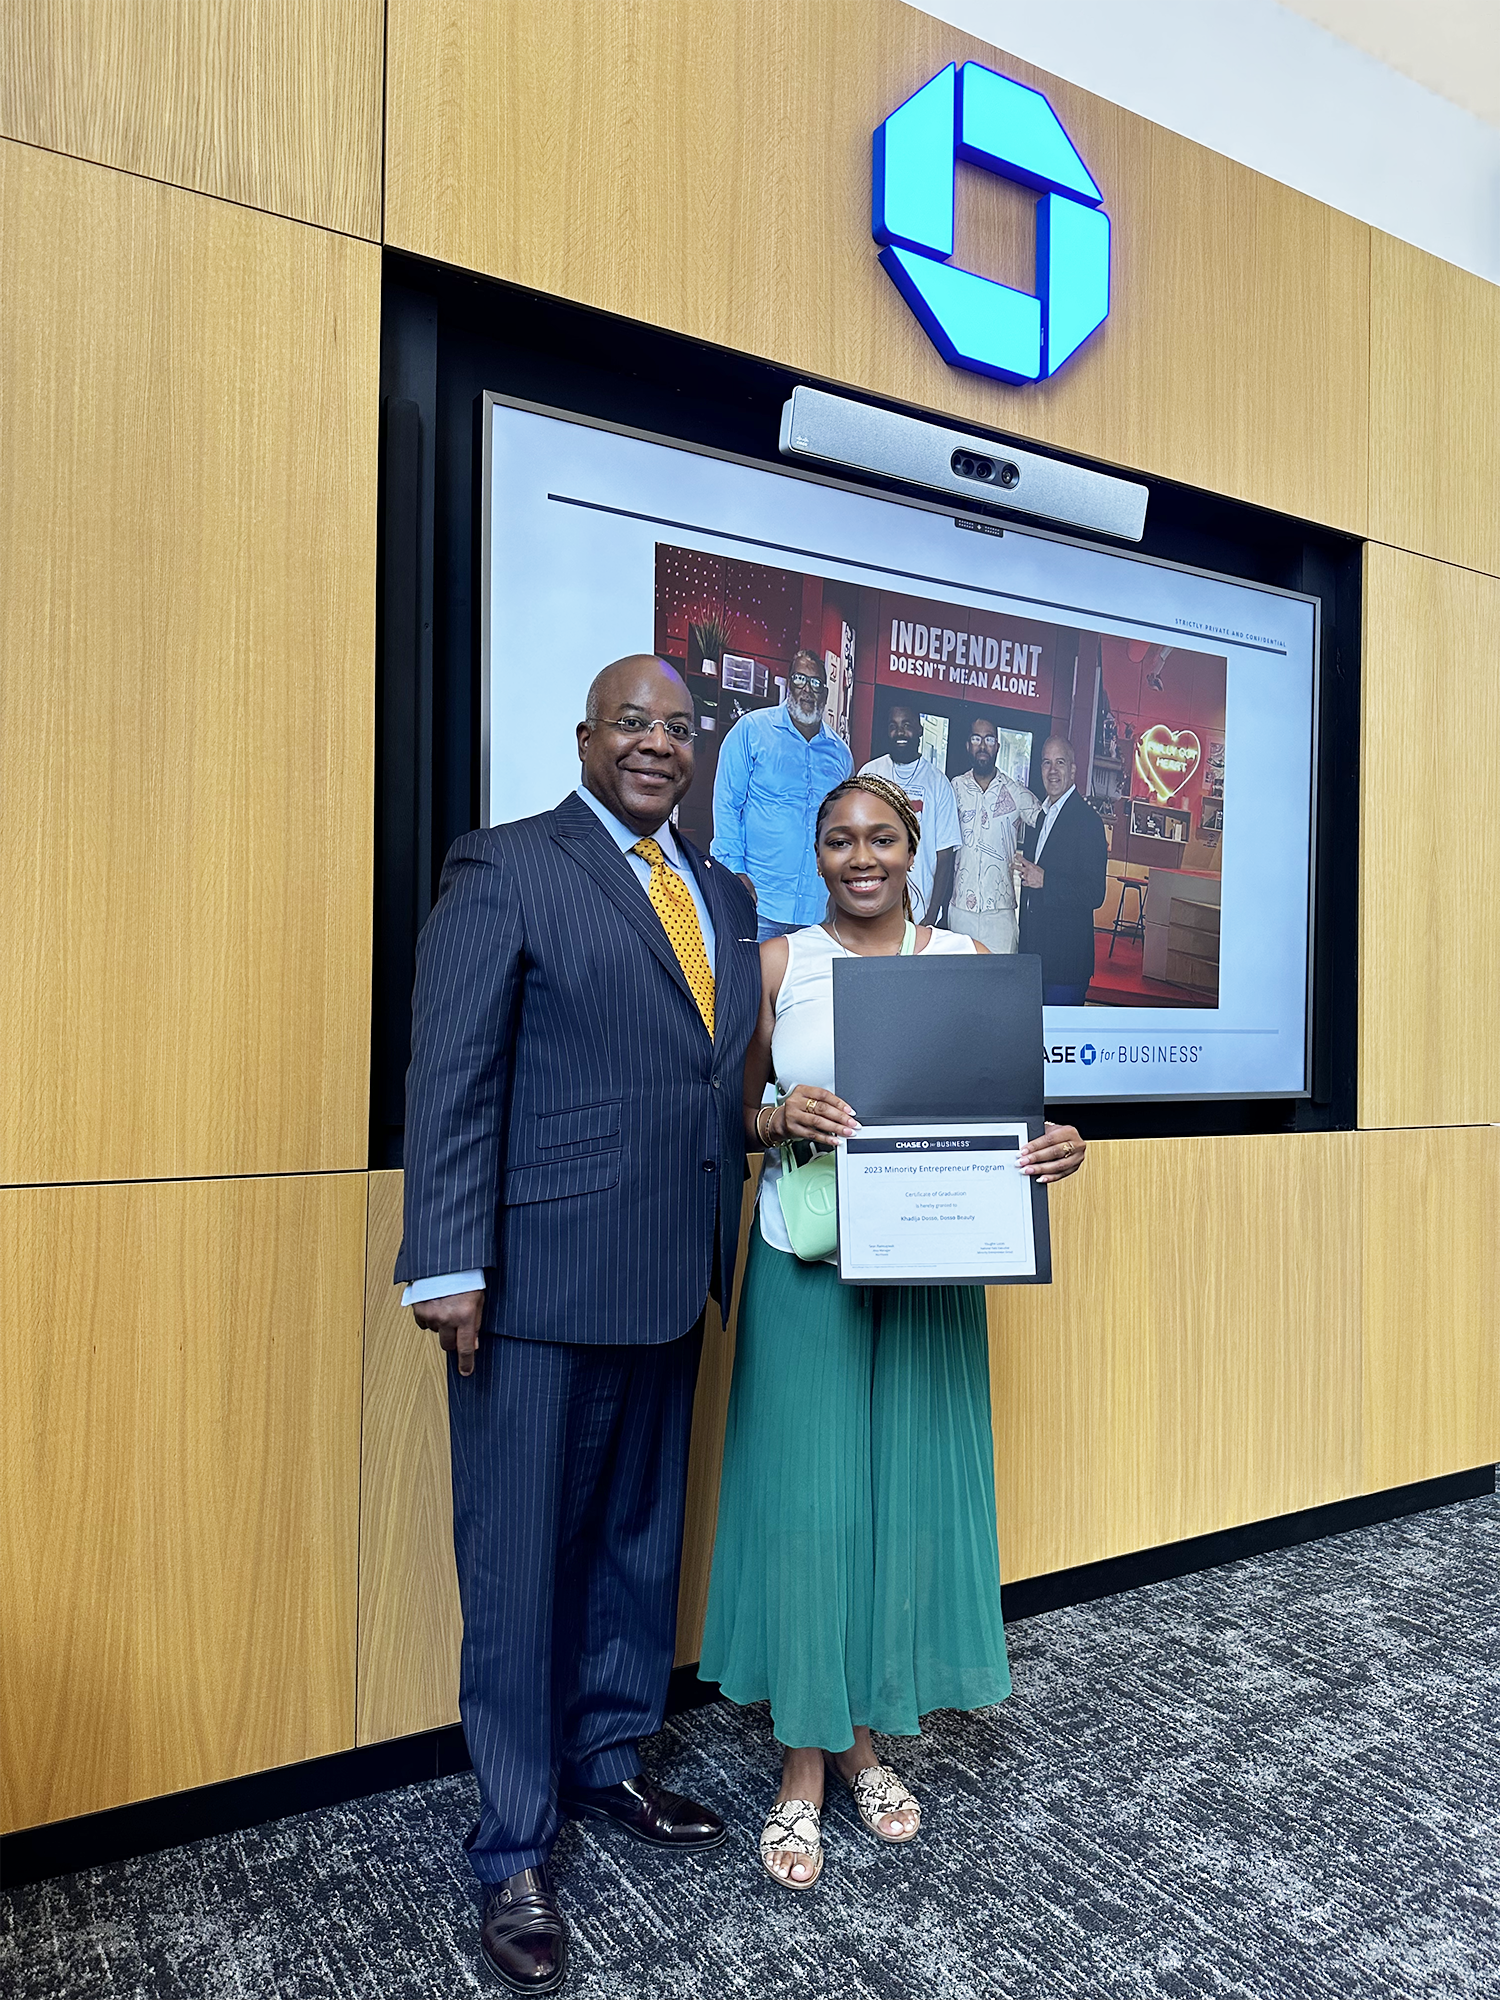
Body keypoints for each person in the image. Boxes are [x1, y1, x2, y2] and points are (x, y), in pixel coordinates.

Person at [397, 655, 761, 1995]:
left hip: (670, 1273)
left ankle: (610, 1762)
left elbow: (710, 1083)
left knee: (633, 1543)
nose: (657, 744)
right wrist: (446, 1262)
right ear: (586, 738)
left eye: (677, 726)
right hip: (534, 1283)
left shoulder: (720, 891)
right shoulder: (509, 866)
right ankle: (512, 1847)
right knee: (514, 1571)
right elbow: (452, 1073)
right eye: (633, 724)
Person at [699, 773, 1087, 1890]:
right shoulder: (778, 963)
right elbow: (730, 1111)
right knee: (812, 1508)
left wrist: (1058, 1144)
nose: (858, 856)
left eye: (879, 836)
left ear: (916, 845)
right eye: (837, 839)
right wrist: (779, 1115)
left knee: (895, 1499)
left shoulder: (966, 966)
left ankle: (862, 1734)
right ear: (814, 853)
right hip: (808, 1263)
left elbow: (1014, 1111)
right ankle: (806, 1768)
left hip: (929, 1273)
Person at [711, 648, 853, 941]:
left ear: (825, 694)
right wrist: (733, 872)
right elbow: (726, 804)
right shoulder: (751, 731)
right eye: (800, 679)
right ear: (789, 684)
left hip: (816, 910)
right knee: (751, 984)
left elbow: (844, 828)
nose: (807, 690)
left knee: (804, 988)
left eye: (816, 683)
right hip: (758, 900)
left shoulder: (840, 754)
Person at [1017, 735, 1109, 1006]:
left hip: (1065, 965)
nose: (1053, 771)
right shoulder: (1039, 817)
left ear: (1072, 770)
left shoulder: (1088, 822)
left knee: (1059, 1044)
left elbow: (1094, 893)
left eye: (1060, 762)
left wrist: (1046, 880)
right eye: (1047, 763)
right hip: (1033, 960)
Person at [949, 712, 1043, 954]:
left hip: (1000, 914)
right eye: (977, 739)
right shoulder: (953, 789)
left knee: (999, 987)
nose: (983, 746)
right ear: (968, 745)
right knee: (959, 985)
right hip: (960, 910)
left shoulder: (1015, 792)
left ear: (997, 746)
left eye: (989, 740)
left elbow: (1050, 825)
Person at [858, 702, 961, 923]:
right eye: (893, 726)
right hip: (872, 907)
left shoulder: (938, 783)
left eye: (907, 725)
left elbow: (945, 857)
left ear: (920, 729)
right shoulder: (869, 774)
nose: (900, 732)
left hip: (920, 914)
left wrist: (932, 915)